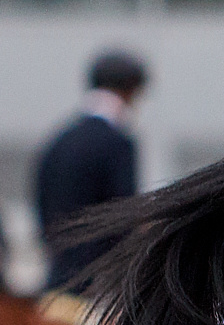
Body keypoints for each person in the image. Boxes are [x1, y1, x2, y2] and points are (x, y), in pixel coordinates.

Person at [33, 48, 147, 295]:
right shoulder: (117, 143)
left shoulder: (58, 140)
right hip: (96, 287)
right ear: (131, 90)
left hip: (56, 283)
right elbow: (123, 214)